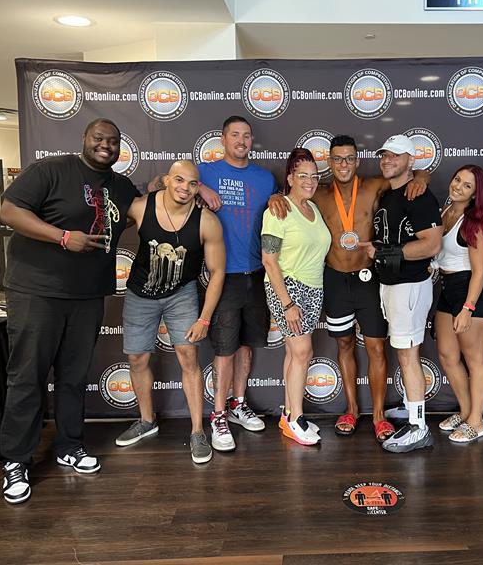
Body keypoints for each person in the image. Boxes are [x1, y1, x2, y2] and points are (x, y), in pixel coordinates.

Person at [0, 118, 140, 504]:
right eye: (99, 138)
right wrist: (62, 237)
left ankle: (69, 445)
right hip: (37, 291)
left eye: (113, 141)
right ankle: (16, 460)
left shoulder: (120, 185)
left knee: (74, 377)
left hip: (87, 295)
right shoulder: (52, 170)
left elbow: (142, 209)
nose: (106, 145)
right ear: (84, 139)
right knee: (27, 377)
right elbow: (9, 211)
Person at [267, 134, 430, 442]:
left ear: (357, 161)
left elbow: (411, 173)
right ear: (329, 162)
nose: (343, 164)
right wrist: (274, 198)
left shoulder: (374, 185)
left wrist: (422, 176)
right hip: (335, 280)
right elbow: (291, 200)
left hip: (368, 278)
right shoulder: (318, 193)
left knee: (376, 347)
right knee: (344, 345)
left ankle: (379, 416)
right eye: (337, 159)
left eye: (349, 158)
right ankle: (352, 409)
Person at [114, 160, 225, 464]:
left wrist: (204, 318)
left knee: (188, 356)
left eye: (192, 183)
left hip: (181, 294)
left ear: (198, 188)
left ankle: (197, 431)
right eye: (178, 180)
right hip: (140, 293)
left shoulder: (206, 221)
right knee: (137, 358)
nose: (184, 188)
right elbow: (107, 223)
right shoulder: (141, 207)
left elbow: (217, 272)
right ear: (166, 180)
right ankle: (146, 421)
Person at [196, 115, 277, 452]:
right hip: (223, 276)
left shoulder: (265, 178)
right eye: (235, 135)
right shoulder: (204, 171)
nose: (241, 141)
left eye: (246, 135)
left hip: (257, 273)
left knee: (246, 345)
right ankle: (218, 414)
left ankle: (238, 404)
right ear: (223, 139)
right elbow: (164, 182)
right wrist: (199, 187)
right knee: (225, 348)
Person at [361, 134, 443, 453]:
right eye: (384, 155)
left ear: (411, 159)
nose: (387, 160)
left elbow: (431, 245)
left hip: (409, 286)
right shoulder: (393, 193)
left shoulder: (418, 197)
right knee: (404, 352)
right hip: (392, 285)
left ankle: (418, 427)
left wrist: (385, 252)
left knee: (408, 356)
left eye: (395, 155)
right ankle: (411, 408)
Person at [261, 149, 330, 445]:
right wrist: (287, 303)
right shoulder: (277, 210)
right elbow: (268, 260)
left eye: (314, 176)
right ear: (290, 178)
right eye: (303, 175)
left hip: (313, 288)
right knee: (302, 352)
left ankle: (288, 414)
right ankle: (296, 419)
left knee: (295, 353)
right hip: (287, 287)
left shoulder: (313, 208)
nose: (310, 181)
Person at [433, 166, 483, 443]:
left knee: (475, 360)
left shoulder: (475, 223)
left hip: (470, 293)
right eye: (457, 179)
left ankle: (476, 421)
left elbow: (480, 271)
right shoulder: (446, 212)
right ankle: (465, 410)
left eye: (467, 185)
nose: (458, 186)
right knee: (448, 356)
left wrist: (468, 308)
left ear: (475, 194)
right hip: (447, 289)